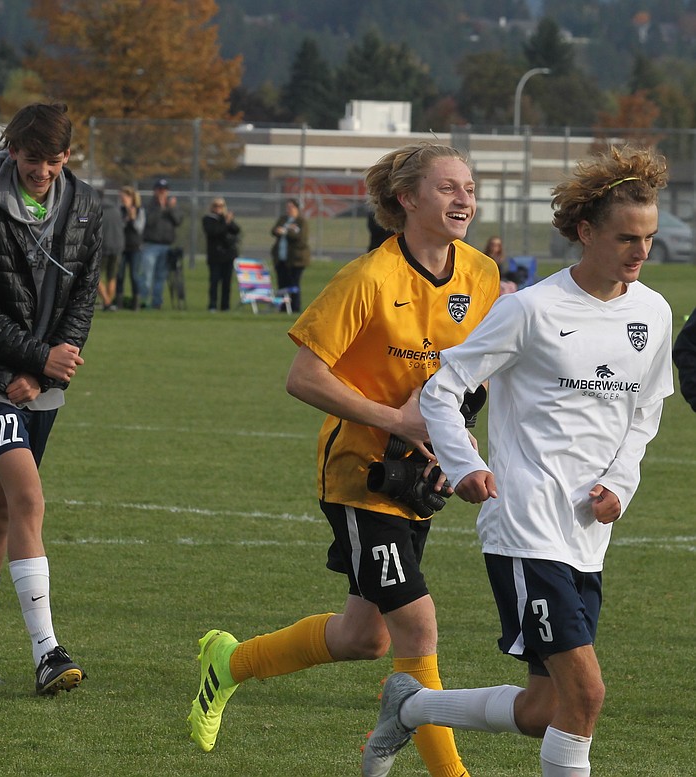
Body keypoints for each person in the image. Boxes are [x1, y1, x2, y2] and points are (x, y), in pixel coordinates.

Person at [188, 143, 499, 777]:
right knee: (418, 630)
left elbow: (475, 376)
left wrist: (452, 446)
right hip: (360, 476)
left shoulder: (481, 275)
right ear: (407, 199)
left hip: (420, 477)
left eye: (468, 187)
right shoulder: (369, 277)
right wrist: (398, 421)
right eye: (447, 188)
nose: (464, 198)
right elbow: (303, 377)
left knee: (366, 638)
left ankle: (228, 663)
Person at [365, 147, 674, 777]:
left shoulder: (653, 312)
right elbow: (442, 392)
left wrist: (619, 483)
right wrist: (464, 466)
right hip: (526, 527)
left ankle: (413, 707)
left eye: (649, 238)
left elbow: (645, 415)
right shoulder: (530, 310)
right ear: (585, 232)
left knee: (546, 707)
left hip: (587, 534)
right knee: (586, 696)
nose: (640, 252)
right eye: (626, 238)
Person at [0, 102, 100, 694]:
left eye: (54, 162)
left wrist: (52, 365)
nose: (42, 172)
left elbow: (84, 293)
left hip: (41, 378)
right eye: (33, 160)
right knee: (28, 497)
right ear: (12, 150)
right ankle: (47, 651)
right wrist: (34, 359)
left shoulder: (84, 204)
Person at [138, 178, 182, 310]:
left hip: (166, 246)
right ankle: (144, 301)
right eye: (159, 190)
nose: (162, 193)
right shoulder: (149, 206)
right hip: (150, 245)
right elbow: (148, 222)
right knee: (147, 276)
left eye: (164, 190)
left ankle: (157, 302)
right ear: (155, 191)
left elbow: (178, 221)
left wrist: (169, 209)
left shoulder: (172, 207)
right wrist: (160, 208)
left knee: (160, 277)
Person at [271, 199, 310, 312]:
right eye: (287, 207)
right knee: (282, 284)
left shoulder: (301, 221)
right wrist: (278, 230)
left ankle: (295, 307)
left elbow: (301, 238)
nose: (289, 209)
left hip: (296, 260)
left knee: (294, 284)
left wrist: (287, 231)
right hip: (281, 258)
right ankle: (283, 307)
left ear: (297, 208)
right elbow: (274, 230)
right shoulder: (283, 219)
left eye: (291, 207)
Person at [203, 197, 240, 312]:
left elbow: (236, 230)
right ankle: (212, 305)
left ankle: (225, 306)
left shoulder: (225, 218)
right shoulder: (208, 219)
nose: (219, 208)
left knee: (227, 282)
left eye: (221, 206)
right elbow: (215, 231)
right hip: (215, 256)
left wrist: (228, 220)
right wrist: (226, 222)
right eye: (216, 206)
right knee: (214, 281)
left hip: (228, 256)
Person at [115, 186, 144, 310]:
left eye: (125, 197)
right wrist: (126, 218)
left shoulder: (139, 211)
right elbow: (118, 226)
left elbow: (139, 228)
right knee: (119, 275)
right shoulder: (119, 210)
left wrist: (132, 218)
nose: (123, 199)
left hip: (135, 248)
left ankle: (135, 303)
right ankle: (119, 302)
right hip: (121, 247)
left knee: (134, 276)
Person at [98, 190, 125, 310]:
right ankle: (109, 304)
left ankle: (107, 302)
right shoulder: (115, 209)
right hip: (117, 246)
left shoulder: (96, 209)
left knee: (95, 277)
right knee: (111, 276)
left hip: (103, 247)